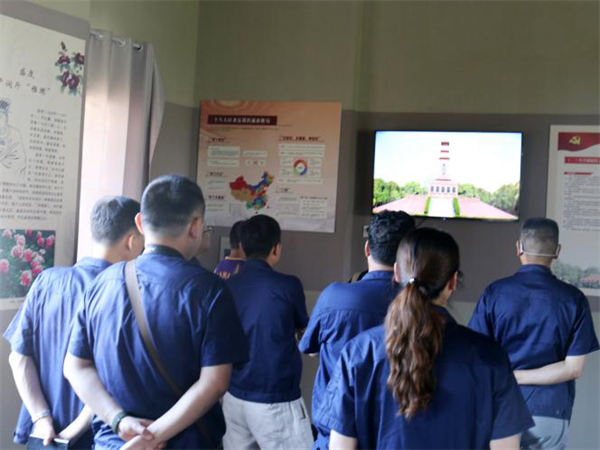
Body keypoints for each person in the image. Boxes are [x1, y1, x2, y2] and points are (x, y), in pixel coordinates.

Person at [64, 174, 248, 450]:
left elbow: (75, 366)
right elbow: (215, 383)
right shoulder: (209, 290)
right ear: (195, 226)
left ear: (140, 223)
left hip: (114, 443)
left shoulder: (102, 283)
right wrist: (152, 437)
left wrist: (118, 420)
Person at [315, 228, 534, 450]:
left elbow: (340, 446)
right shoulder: (489, 357)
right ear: (453, 282)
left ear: (396, 274)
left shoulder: (359, 352)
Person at [3, 196, 143, 449]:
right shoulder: (125, 293)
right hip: (93, 436)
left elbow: (18, 357)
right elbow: (111, 380)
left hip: (43, 436)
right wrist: (69, 434)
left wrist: (42, 419)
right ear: (132, 240)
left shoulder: (47, 281)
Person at [469, 217, 599, 450]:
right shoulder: (574, 299)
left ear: (519, 247)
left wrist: (512, 377)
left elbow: (477, 357)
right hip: (550, 412)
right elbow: (574, 369)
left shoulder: (494, 293)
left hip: (501, 406)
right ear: (557, 252)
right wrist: (521, 376)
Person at [299, 210, 415, 449]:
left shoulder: (334, 296)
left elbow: (310, 349)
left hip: (335, 432)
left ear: (367, 249)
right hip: (397, 435)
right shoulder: (420, 306)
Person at [222, 214, 313, 450]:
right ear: (276, 248)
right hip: (275, 398)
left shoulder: (228, 286)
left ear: (242, 247)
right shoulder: (288, 285)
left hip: (234, 396)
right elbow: (304, 329)